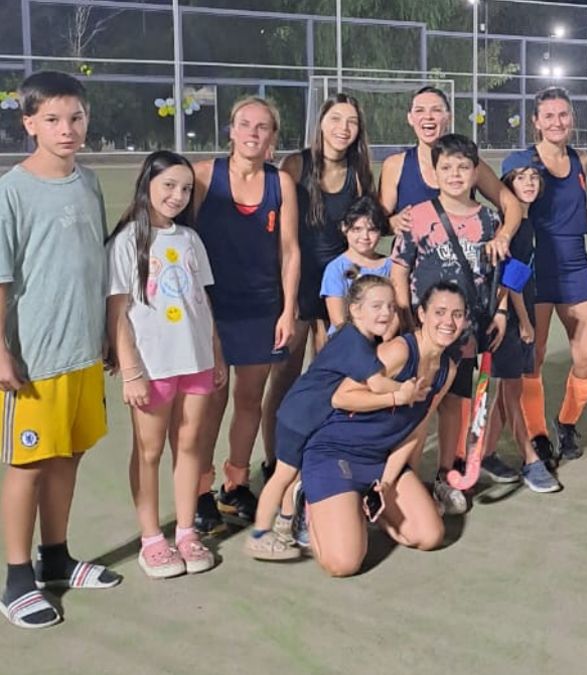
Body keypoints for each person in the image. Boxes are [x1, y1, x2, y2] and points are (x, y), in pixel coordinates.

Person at [0, 71, 120, 630]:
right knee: (28, 464)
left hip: (81, 352)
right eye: (52, 119)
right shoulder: (11, 191)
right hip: (33, 360)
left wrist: (103, 334)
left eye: (75, 118)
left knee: (70, 455)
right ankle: (17, 578)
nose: (66, 129)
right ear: (29, 124)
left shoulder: (88, 183)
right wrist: (1, 350)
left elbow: (92, 264)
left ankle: (56, 557)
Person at [395, 134, 561, 508]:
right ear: (434, 173)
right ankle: (402, 478)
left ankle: (444, 475)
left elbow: (502, 273)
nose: (455, 174)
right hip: (426, 332)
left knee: (456, 401)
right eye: (446, 168)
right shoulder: (417, 216)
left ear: (475, 173)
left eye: (463, 168)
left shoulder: (490, 220)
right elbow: (400, 269)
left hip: (472, 330)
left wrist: (501, 312)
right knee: (420, 402)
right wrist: (406, 320)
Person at [106, 151, 224, 579]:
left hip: (196, 362)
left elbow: (203, 303)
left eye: (186, 189)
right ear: (147, 185)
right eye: (168, 186)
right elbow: (117, 312)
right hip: (153, 368)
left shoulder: (190, 240)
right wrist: (132, 369)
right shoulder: (126, 242)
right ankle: (152, 539)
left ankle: (187, 530)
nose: (177, 196)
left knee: (190, 447)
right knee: (150, 451)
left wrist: (216, 354)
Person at [299, 282, 466, 577]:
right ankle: (311, 501)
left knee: (429, 536)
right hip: (336, 452)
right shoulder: (399, 351)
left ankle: (359, 505)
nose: (448, 322)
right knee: (344, 564)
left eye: (457, 314)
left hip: (380, 460)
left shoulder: (447, 369)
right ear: (422, 314)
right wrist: (395, 396)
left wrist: (387, 483)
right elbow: (342, 396)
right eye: (440, 312)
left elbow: (417, 428)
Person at [244, 276, 414, 560]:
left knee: (292, 474)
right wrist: (403, 390)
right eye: (376, 306)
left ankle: (284, 525)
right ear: (355, 310)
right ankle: (259, 534)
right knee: (283, 476)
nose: (385, 313)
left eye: (390, 307)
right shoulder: (356, 345)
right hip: (300, 416)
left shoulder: (351, 336)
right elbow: (377, 384)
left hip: (306, 415)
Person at [191, 96, 300, 534]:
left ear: (273, 137)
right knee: (211, 400)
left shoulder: (280, 184)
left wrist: (288, 309)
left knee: (250, 398)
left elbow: (289, 251)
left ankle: (235, 483)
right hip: (211, 311)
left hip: (261, 307)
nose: (253, 133)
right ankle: (199, 490)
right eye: (245, 125)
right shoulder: (202, 177)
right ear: (231, 131)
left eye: (263, 127)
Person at [260, 93, 374, 478]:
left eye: (351, 122)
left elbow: (365, 226)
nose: (343, 128)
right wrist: (285, 299)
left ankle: (322, 452)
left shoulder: (359, 172)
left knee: (331, 374)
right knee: (286, 375)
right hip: (297, 282)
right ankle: (275, 459)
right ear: (321, 123)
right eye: (336, 119)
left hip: (337, 289)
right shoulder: (296, 164)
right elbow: (279, 229)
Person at [507, 87, 587, 463]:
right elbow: (505, 205)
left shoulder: (581, 158)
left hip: (575, 264)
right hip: (534, 265)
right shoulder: (521, 162)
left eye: (563, 115)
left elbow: (582, 212)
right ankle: (538, 436)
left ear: (572, 118)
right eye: (548, 116)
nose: (557, 122)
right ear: (536, 121)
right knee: (535, 357)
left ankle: (566, 422)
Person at [378, 85, 521, 256]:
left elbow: (511, 204)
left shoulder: (469, 164)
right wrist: (392, 223)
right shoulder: (395, 165)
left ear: (449, 117)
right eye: (420, 110)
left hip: (460, 269)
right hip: (413, 272)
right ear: (410, 118)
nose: (428, 116)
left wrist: (503, 237)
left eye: (436, 110)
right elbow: (377, 224)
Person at [477, 161, 543, 485]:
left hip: (522, 312)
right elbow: (508, 278)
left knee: (508, 388)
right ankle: (530, 458)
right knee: (511, 391)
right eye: (520, 177)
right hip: (511, 319)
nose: (529, 182)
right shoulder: (511, 226)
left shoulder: (528, 223)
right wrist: (526, 321)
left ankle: (485, 453)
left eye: (534, 177)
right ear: (507, 184)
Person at [320, 196, 393, 328]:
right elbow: (338, 320)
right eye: (357, 229)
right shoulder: (336, 269)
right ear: (344, 228)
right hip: (349, 340)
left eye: (372, 230)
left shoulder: (391, 266)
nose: (365, 236)